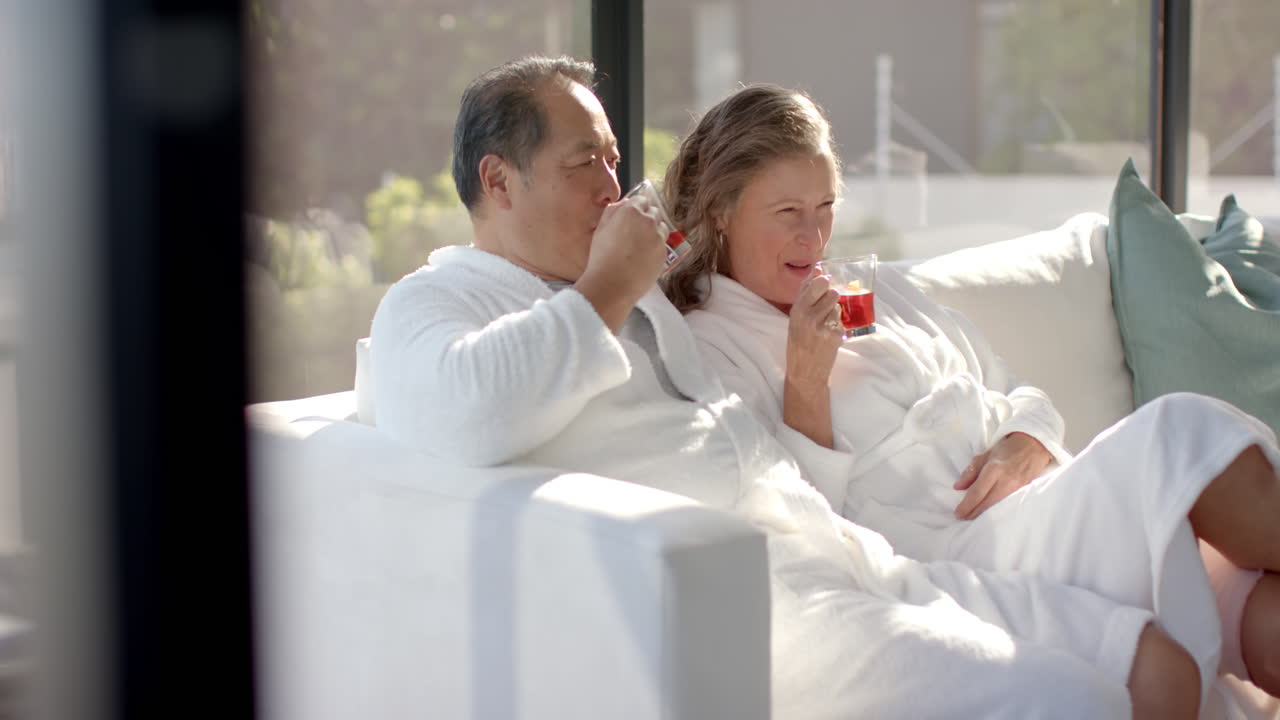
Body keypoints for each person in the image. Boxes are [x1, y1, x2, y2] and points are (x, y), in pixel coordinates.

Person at [368, 55, 1255, 719]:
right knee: (1083, 696)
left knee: (1155, 666)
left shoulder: (644, 308)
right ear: (497, 179)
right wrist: (612, 284)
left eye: (613, 159)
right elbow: (466, 412)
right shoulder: (440, 302)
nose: (612, 187)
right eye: (583, 165)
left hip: (855, 557)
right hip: (773, 600)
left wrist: (625, 287)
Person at [661, 83, 1280, 703]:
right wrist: (805, 384)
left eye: (825, 206)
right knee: (1179, 432)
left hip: (1037, 502)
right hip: (956, 551)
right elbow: (803, 529)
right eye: (787, 212)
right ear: (723, 212)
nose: (814, 236)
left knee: (1267, 622)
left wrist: (1026, 439)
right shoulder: (711, 345)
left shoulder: (878, 292)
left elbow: (1016, 390)